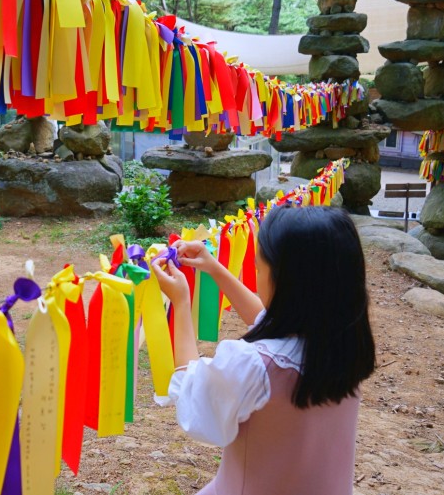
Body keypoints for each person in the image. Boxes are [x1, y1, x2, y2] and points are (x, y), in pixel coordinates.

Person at [151, 205, 376, 495]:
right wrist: (213, 267)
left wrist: (181, 304)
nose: (257, 275)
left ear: (286, 282)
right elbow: (268, 318)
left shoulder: (254, 365)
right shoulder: (342, 344)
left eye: (258, 268)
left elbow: (195, 400)